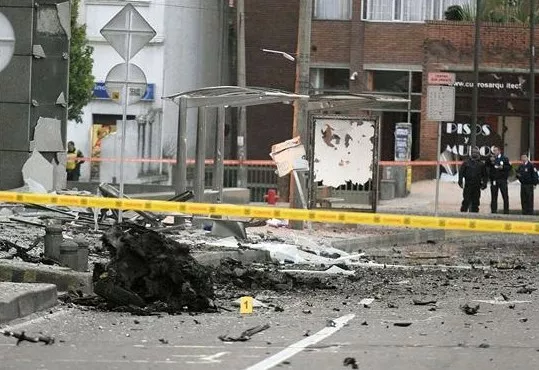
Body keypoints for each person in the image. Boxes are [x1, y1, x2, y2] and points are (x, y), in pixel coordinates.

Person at [458, 148, 488, 213]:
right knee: (466, 200)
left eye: (476, 153)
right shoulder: (466, 163)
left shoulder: (481, 164)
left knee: (476, 201)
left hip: (477, 185)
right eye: (473, 153)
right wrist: (460, 181)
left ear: (478, 154)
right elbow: (461, 173)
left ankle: (475, 215)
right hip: (468, 185)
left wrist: (484, 184)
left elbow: (485, 175)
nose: (474, 154)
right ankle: (463, 214)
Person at [487, 145, 511, 214]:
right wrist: (489, 160)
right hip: (494, 180)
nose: (494, 152)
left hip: (502, 180)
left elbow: (509, 167)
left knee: (505, 196)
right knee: (494, 196)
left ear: (499, 151)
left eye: (496, 150)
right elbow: (487, 166)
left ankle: (506, 211)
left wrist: (502, 167)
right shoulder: (492, 158)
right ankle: (493, 210)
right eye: (494, 151)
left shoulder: (504, 158)